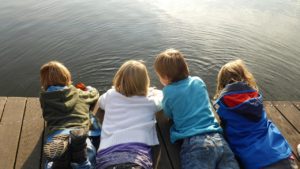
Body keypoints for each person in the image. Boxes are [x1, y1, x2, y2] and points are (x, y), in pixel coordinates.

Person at [154, 49, 239, 169]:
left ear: (166, 77)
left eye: (159, 76)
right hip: (218, 139)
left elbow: (168, 113)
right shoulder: (198, 81)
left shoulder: (168, 91)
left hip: (194, 144)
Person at [214, 59, 298, 169]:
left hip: (256, 162)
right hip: (282, 155)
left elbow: (224, 125)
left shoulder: (222, 103)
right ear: (245, 76)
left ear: (222, 82)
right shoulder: (255, 96)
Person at [93, 60, 162, 169]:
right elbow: (161, 99)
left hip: (107, 152)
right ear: (145, 82)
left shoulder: (111, 95)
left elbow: (100, 103)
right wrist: (152, 92)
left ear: (119, 79)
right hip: (137, 152)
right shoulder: (150, 101)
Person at [40, 61, 100, 169]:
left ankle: (60, 162)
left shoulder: (45, 98)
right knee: (88, 160)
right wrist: (88, 89)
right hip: (79, 132)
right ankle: (80, 155)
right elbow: (94, 94)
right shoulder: (78, 93)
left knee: (51, 164)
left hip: (56, 135)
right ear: (67, 77)